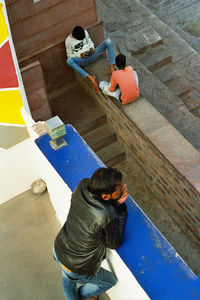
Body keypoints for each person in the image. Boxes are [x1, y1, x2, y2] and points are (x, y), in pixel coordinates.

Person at [53, 167, 128, 300]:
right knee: (109, 281)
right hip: (78, 266)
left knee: (67, 278)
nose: (123, 188)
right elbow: (114, 243)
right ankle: (81, 297)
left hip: (60, 249)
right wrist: (119, 207)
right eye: (119, 189)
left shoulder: (83, 185)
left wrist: (113, 203)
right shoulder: (107, 215)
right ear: (105, 196)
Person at [65, 26, 115, 90]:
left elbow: (90, 42)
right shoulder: (68, 41)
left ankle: (112, 68)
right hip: (81, 61)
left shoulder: (85, 32)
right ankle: (90, 77)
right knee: (69, 61)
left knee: (108, 42)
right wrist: (80, 55)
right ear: (74, 36)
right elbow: (69, 55)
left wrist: (91, 48)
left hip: (92, 55)